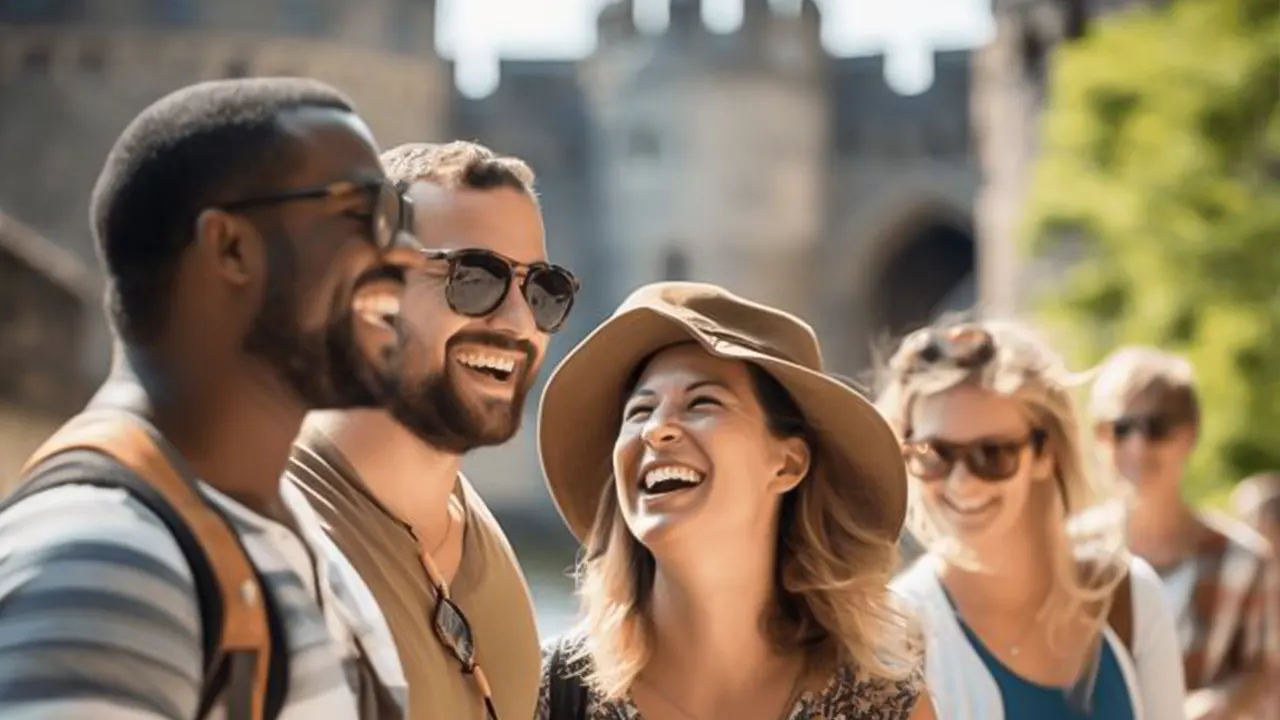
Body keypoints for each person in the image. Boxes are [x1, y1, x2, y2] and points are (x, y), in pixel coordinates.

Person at [0, 78, 418, 717]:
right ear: (230, 248)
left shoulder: (293, 538)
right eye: (365, 214)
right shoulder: (107, 561)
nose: (409, 254)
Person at [537, 282, 934, 720]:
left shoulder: (882, 705)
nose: (656, 430)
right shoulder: (548, 694)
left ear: (787, 464)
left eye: (702, 403)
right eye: (639, 411)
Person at [286, 141, 580, 720]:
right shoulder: (260, 545)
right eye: (475, 277)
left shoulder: (486, 549)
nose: (520, 323)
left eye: (543, 290)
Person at [884, 322, 1185, 718]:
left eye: (992, 453)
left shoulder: (1130, 597)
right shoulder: (896, 635)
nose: (962, 482)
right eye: (934, 453)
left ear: (1045, 453)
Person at [1091, 347, 1280, 719]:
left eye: (1155, 428)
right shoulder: (1070, 551)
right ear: (1099, 438)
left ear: (1189, 435)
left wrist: (1222, 703)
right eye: (1119, 429)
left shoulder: (1245, 559)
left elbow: (1266, 667)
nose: (1137, 446)